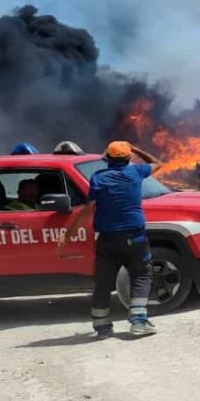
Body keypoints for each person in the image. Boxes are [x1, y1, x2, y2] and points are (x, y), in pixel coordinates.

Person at [64, 141, 165, 338]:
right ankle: (139, 321)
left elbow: (88, 208)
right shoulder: (136, 172)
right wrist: (134, 148)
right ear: (128, 158)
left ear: (107, 159)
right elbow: (157, 163)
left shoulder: (98, 178)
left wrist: (69, 233)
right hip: (134, 237)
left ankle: (101, 326)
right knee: (141, 275)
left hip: (107, 239)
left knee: (103, 281)